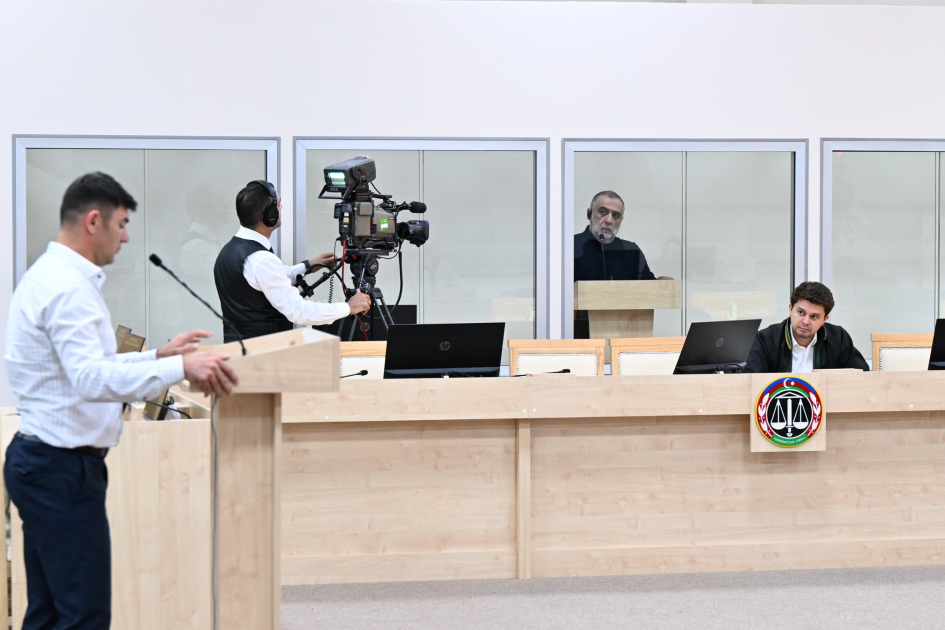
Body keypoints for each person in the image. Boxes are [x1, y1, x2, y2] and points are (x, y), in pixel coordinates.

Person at [3, 172, 239, 629]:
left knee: (49, 613)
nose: (127, 237)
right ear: (94, 221)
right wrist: (180, 367)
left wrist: (158, 357)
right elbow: (91, 378)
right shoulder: (67, 287)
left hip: (46, 463)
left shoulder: (55, 276)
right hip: (60, 468)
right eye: (122, 224)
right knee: (83, 615)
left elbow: (88, 367)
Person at [213, 180, 371, 342]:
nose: (281, 208)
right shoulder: (262, 260)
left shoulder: (230, 251)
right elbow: (299, 311)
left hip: (237, 348)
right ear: (268, 216)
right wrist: (348, 307)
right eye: (278, 204)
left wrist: (307, 266)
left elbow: (268, 279)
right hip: (263, 352)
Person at [745, 281, 869, 373]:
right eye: (801, 312)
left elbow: (861, 376)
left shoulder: (838, 338)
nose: (805, 321)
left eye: (814, 316)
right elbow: (752, 383)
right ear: (790, 309)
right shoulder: (766, 339)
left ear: (825, 319)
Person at [574, 190, 658, 281]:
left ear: (621, 220)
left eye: (616, 215)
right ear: (589, 214)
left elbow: (649, 285)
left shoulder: (631, 251)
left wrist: (662, 281)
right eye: (603, 212)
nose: (609, 220)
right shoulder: (571, 246)